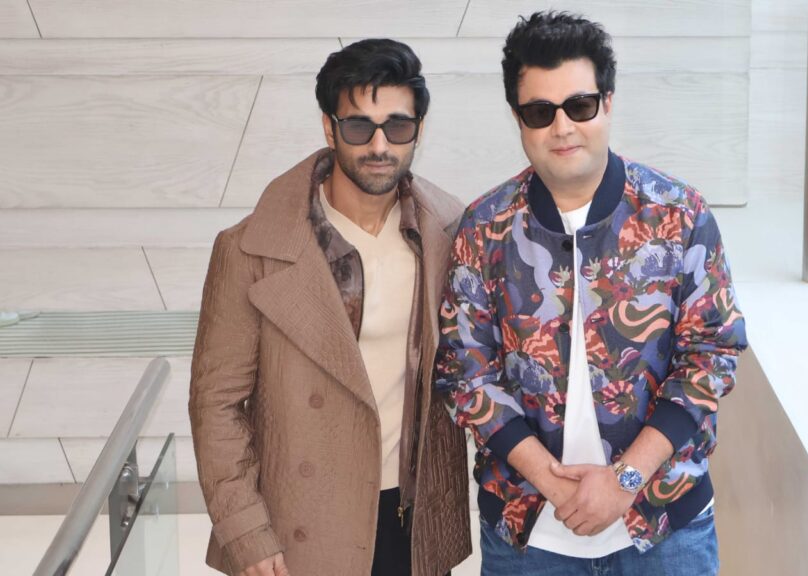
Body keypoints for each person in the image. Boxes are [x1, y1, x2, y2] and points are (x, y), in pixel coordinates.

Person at [434, 11, 747, 575]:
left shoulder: (678, 214)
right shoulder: (484, 228)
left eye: (579, 106)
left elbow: (711, 353)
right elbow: (466, 374)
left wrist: (625, 480)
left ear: (608, 103)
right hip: (528, 537)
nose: (562, 128)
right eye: (540, 112)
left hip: (665, 529)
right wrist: (552, 483)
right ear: (517, 118)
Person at [189, 39, 471, 576]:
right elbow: (216, 404)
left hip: (414, 515)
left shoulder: (448, 231)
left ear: (418, 129)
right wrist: (245, 531)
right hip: (299, 520)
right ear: (329, 127)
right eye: (359, 127)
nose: (380, 145)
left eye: (398, 126)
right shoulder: (251, 248)